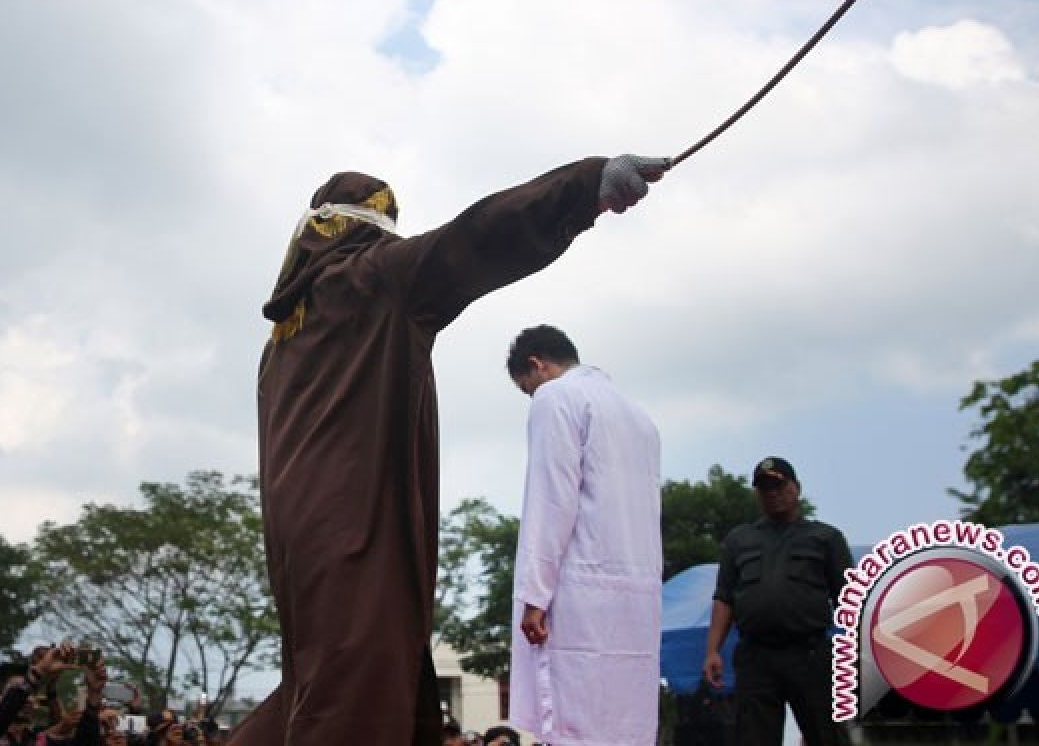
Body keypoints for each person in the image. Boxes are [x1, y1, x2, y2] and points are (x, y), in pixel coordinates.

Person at [229, 155, 670, 746]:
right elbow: (474, 239)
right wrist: (585, 186)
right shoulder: (369, 281)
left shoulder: (284, 335)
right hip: (358, 529)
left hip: (300, 545)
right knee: (354, 692)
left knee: (331, 679)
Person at [505, 325, 663, 745]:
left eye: (527, 387)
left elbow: (552, 498)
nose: (531, 396)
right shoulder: (639, 417)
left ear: (537, 365)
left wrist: (535, 594)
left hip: (579, 591)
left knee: (573, 721)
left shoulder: (556, 397)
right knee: (626, 720)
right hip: (637, 599)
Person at [703, 457, 852, 746]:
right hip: (756, 656)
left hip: (809, 654)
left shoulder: (825, 538)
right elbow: (724, 598)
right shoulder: (739, 540)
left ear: (796, 488)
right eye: (765, 488)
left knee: (826, 735)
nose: (772, 493)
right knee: (753, 738)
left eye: (779, 485)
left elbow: (849, 600)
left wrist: (855, 653)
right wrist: (712, 651)